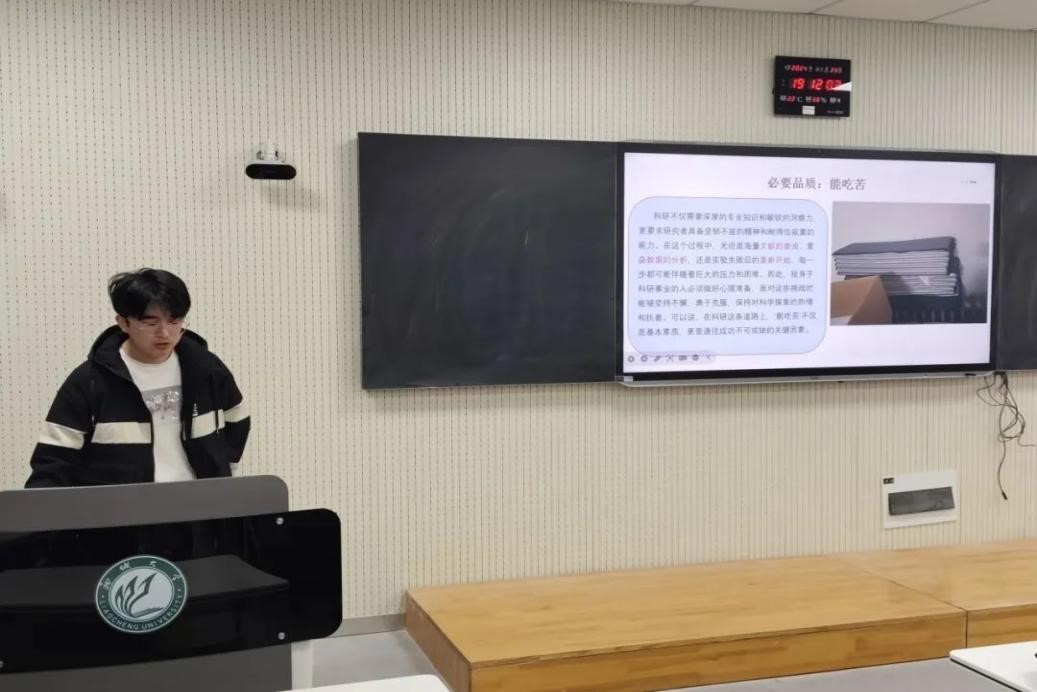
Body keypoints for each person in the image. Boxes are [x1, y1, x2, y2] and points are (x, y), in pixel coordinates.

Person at [26, 269, 250, 487]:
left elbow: (238, 419)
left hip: (198, 506)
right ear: (123, 322)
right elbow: (54, 460)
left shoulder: (206, 369)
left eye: (174, 321)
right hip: (122, 510)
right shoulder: (90, 381)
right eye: (151, 323)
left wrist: (221, 474)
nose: (164, 333)